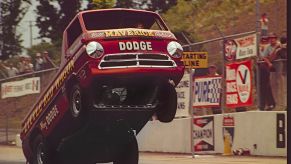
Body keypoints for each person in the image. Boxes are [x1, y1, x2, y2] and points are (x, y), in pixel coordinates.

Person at [258, 32, 278, 111]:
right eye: (263, 40)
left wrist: (269, 59)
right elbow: (264, 57)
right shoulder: (267, 47)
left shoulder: (279, 45)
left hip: (277, 68)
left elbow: (274, 56)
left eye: (266, 40)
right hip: (266, 69)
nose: (264, 42)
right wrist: (268, 61)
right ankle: (268, 104)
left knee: (274, 85)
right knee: (266, 86)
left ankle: (273, 103)